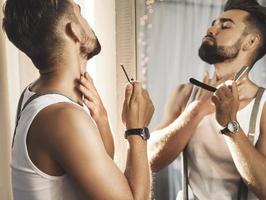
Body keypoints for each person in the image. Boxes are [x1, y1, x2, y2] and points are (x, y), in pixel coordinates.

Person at [3, 0, 154, 199]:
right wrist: (137, 130)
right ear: (73, 30)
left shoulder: (33, 94)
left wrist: (101, 119)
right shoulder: (63, 116)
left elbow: (98, 172)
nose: (86, 22)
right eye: (79, 13)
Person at [149, 0, 266, 199]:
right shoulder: (185, 95)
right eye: (214, 23)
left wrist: (230, 125)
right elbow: (151, 160)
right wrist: (195, 112)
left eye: (225, 25)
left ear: (250, 42)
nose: (212, 28)